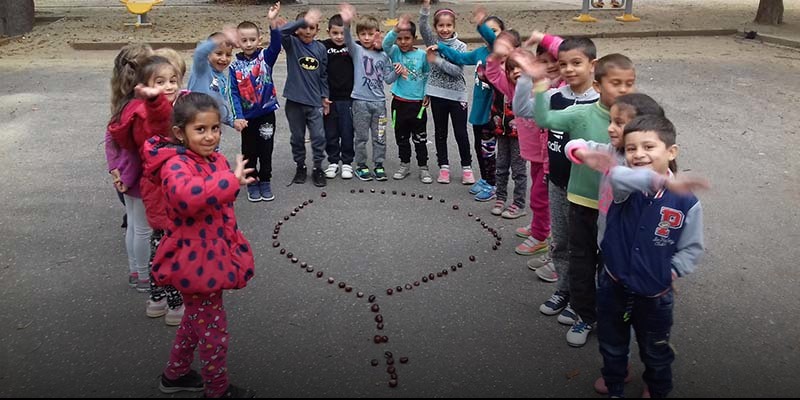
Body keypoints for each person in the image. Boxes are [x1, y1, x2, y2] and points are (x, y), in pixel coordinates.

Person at [143, 92, 257, 398]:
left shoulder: (214, 158)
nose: (210, 136)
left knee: (196, 321)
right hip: (195, 262)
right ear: (180, 133)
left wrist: (230, 183)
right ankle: (217, 390)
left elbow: (220, 200)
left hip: (213, 255)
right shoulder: (175, 165)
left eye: (215, 128)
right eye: (201, 130)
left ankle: (175, 374)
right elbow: (187, 197)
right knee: (213, 332)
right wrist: (230, 182)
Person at [594, 114, 708, 398]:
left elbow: (692, 247)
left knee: (655, 348)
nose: (639, 154)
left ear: (671, 152)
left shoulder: (687, 202)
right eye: (631, 149)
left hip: (655, 294)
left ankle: (657, 386)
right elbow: (618, 175)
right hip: (614, 282)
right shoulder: (623, 186)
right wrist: (661, 182)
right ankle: (615, 381)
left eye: (648, 147)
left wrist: (671, 271)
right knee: (611, 342)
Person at [530, 50, 637, 347]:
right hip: (580, 200)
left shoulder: (640, 118)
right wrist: (540, 86)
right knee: (581, 260)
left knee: (612, 266)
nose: (625, 90)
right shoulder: (583, 113)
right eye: (617, 83)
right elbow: (543, 118)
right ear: (599, 85)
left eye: (630, 83)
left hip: (618, 208)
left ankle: (611, 316)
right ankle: (584, 313)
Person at [563, 92, 664, 395]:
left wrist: (671, 269)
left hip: (644, 265)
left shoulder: (653, 172)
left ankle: (655, 377)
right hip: (612, 255)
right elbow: (584, 147)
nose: (611, 128)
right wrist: (578, 149)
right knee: (612, 322)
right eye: (611, 120)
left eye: (619, 123)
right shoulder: (612, 150)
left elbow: (622, 189)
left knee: (648, 328)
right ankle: (617, 370)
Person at [512, 37, 599, 335]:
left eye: (577, 63)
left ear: (592, 65)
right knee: (560, 242)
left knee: (585, 248)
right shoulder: (555, 95)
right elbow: (522, 108)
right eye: (563, 64)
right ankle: (565, 289)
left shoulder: (600, 102)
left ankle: (583, 299)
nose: (569, 69)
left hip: (588, 190)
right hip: (558, 183)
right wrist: (530, 75)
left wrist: (544, 37)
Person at [435, 6, 504, 198]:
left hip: (494, 113)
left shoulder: (501, 54)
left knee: (489, 150)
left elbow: (493, 39)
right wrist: (441, 47)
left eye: (494, 30)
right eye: (487, 30)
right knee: (479, 148)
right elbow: (460, 57)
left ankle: (493, 184)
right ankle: (485, 178)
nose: (489, 34)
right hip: (479, 111)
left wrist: (481, 23)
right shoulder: (480, 52)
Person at [105, 43, 153, 289]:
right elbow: (141, 151)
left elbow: (110, 141)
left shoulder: (122, 103)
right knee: (143, 229)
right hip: (141, 177)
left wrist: (115, 170)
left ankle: (135, 271)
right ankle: (145, 276)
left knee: (134, 225)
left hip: (125, 176)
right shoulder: (142, 109)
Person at [229, 2, 283, 201]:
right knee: (249, 151)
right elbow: (233, 93)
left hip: (266, 114)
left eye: (253, 39)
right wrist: (238, 116)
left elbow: (276, 45)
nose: (249, 43)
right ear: (238, 42)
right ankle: (251, 181)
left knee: (266, 150)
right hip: (247, 118)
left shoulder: (265, 58)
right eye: (244, 40)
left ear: (259, 39)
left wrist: (272, 21)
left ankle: (265, 180)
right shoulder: (234, 66)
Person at [338, 3, 397, 182]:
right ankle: (361, 165)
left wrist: (397, 71)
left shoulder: (385, 55)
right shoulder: (357, 50)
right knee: (361, 137)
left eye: (370, 34)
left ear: (377, 34)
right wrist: (346, 23)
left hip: (379, 103)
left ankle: (378, 165)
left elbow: (388, 79)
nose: (366, 37)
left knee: (380, 136)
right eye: (363, 34)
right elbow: (347, 39)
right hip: (360, 102)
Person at [419, 0, 473, 185]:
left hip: (457, 95)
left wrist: (437, 60)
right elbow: (422, 26)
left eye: (448, 25)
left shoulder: (460, 47)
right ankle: (444, 167)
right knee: (440, 133)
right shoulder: (432, 41)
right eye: (441, 25)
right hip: (437, 94)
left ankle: (467, 167)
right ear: (436, 27)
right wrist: (425, 8)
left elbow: (457, 71)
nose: (445, 29)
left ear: (454, 26)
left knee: (461, 133)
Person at [280, 8, 329, 187]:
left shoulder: (320, 48)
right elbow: (281, 32)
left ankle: (318, 168)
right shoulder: (292, 43)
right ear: (297, 28)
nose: (307, 31)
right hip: (294, 102)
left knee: (318, 137)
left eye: (312, 28)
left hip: (315, 102)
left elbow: (324, 75)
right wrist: (300, 22)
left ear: (317, 29)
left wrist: (325, 97)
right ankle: (300, 166)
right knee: (297, 138)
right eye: (304, 27)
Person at [483, 32, 528, 220]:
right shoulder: (504, 77)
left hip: (521, 134)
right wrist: (495, 55)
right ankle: (500, 198)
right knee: (501, 166)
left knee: (519, 170)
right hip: (501, 129)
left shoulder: (525, 82)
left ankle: (519, 203)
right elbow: (491, 72)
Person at [383, 15, 431, 183]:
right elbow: (385, 44)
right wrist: (395, 29)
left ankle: (423, 167)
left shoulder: (422, 55)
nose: (403, 42)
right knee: (401, 138)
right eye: (400, 38)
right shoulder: (395, 51)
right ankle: (404, 164)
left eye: (407, 38)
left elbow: (427, 75)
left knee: (420, 139)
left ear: (414, 39)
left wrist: (427, 93)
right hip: (399, 104)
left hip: (418, 105)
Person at [321, 14, 356, 180]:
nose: (339, 37)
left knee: (348, 131)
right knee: (331, 133)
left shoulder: (352, 47)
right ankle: (333, 161)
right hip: (329, 99)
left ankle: (347, 162)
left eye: (342, 33)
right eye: (335, 33)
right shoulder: (323, 47)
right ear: (328, 32)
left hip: (348, 98)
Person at [187, 29, 237, 129]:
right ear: (208, 54)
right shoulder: (202, 70)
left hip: (213, 127)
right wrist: (219, 39)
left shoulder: (222, 79)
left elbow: (221, 105)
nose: (224, 59)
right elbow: (199, 53)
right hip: (196, 124)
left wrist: (232, 121)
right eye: (218, 53)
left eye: (228, 55)